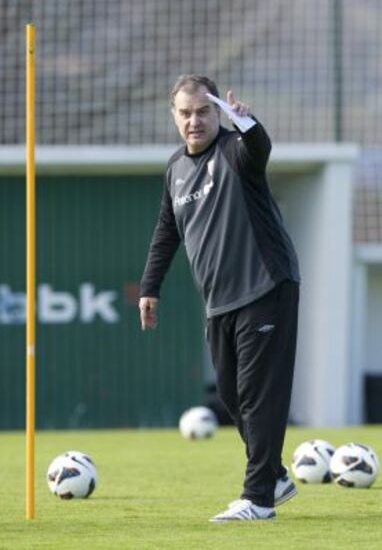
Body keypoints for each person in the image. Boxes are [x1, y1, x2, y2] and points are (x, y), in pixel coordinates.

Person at [139, 74, 300, 522]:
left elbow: (260, 151)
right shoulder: (175, 169)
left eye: (203, 111)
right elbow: (166, 232)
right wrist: (150, 287)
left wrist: (247, 123)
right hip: (219, 302)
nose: (195, 120)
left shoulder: (234, 150)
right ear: (174, 116)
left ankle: (259, 498)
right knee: (231, 395)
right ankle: (275, 476)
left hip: (266, 285)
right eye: (185, 113)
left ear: (217, 112)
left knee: (257, 394)